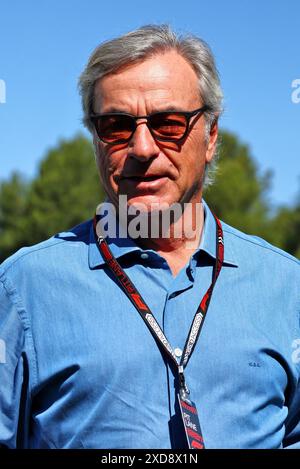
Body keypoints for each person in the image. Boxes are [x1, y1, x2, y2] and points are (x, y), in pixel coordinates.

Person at [0, 24, 299, 450]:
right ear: (96, 140)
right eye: (116, 125)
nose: (142, 148)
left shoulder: (287, 288)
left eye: (168, 123)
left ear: (211, 136)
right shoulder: (22, 289)